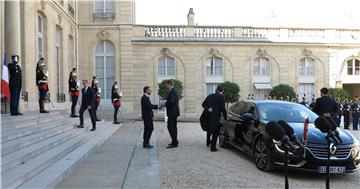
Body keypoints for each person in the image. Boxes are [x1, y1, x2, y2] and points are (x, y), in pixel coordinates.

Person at [202, 86, 227, 152]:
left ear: (216, 90)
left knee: (209, 129)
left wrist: (208, 108)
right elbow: (223, 108)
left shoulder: (210, 96)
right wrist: (225, 117)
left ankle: (208, 142)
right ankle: (213, 148)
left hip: (208, 116)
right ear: (222, 90)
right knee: (215, 132)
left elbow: (203, 104)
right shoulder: (222, 97)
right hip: (216, 117)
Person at [163, 79, 180, 148]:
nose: (166, 86)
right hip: (173, 112)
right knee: (171, 127)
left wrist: (165, 103)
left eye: (166, 85)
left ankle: (174, 143)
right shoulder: (173, 90)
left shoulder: (173, 91)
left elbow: (172, 101)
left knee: (172, 127)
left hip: (172, 113)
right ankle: (174, 141)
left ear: (169, 84)